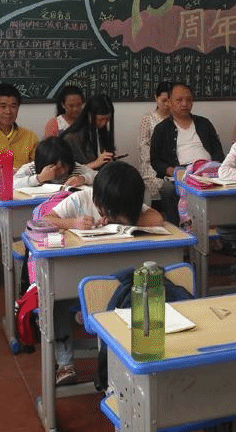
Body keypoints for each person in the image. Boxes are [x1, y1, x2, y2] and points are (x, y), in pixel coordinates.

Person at [43, 162, 165, 385]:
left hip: (116, 283)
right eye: (108, 212)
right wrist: (73, 223)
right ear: (98, 199)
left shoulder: (127, 203)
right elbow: (46, 219)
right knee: (56, 301)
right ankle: (65, 362)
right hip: (76, 276)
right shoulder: (81, 199)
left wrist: (125, 220)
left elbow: (157, 219)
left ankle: (124, 356)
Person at [149, 82, 224, 224]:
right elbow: (155, 160)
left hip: (208, 172)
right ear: (170, 102)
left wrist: (212, 168)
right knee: (167, 189)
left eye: (189, 100)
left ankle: (218, 228)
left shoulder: (204, 123)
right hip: (181, 174)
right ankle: (179, 228)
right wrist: (173, 172)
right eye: (179, 100)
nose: (184, 104)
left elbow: (218, 152)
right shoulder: (161, 129)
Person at [13, 136, 91, 189]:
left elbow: (95, 175)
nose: (63, 171)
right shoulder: (30, 168)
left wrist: (83, 179)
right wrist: (39, 178)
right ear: (44, 164)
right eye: (57, 168)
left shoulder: (74, 167)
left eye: (65, 165)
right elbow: (11, 184)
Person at [62, 94, 115, 171]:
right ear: (89, 115)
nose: (104, 123)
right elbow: (66, 171)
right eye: (101, 119)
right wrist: (95, 163)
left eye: (107, 119)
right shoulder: (71, 137)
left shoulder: (103, 133)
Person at [139, 81, 171, 203]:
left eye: (170, 100)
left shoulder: (177, 119)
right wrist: (154, 162)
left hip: (173, 162)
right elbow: (144, 144)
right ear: (156, 98)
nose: (167, 104)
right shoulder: (148, 118)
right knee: (157, 181)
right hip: (152, 162)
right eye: (163, 100)